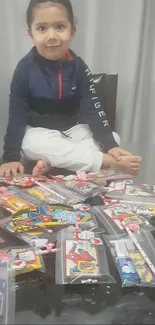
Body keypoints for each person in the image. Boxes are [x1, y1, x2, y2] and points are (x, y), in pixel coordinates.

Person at [0, 0, 142, 178]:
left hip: (73, 130)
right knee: (29, 144)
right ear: (31, 33)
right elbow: (16, 115)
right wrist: (9, 157)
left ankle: (52, 160)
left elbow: (93, 109)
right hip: (40, 132)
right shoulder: (24, 69)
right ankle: (107, 162)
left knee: (114, 138)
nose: (52, 36)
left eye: (60, 26)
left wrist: (111, 145)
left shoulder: (79, 67)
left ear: (72, 30)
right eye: (42, 28)